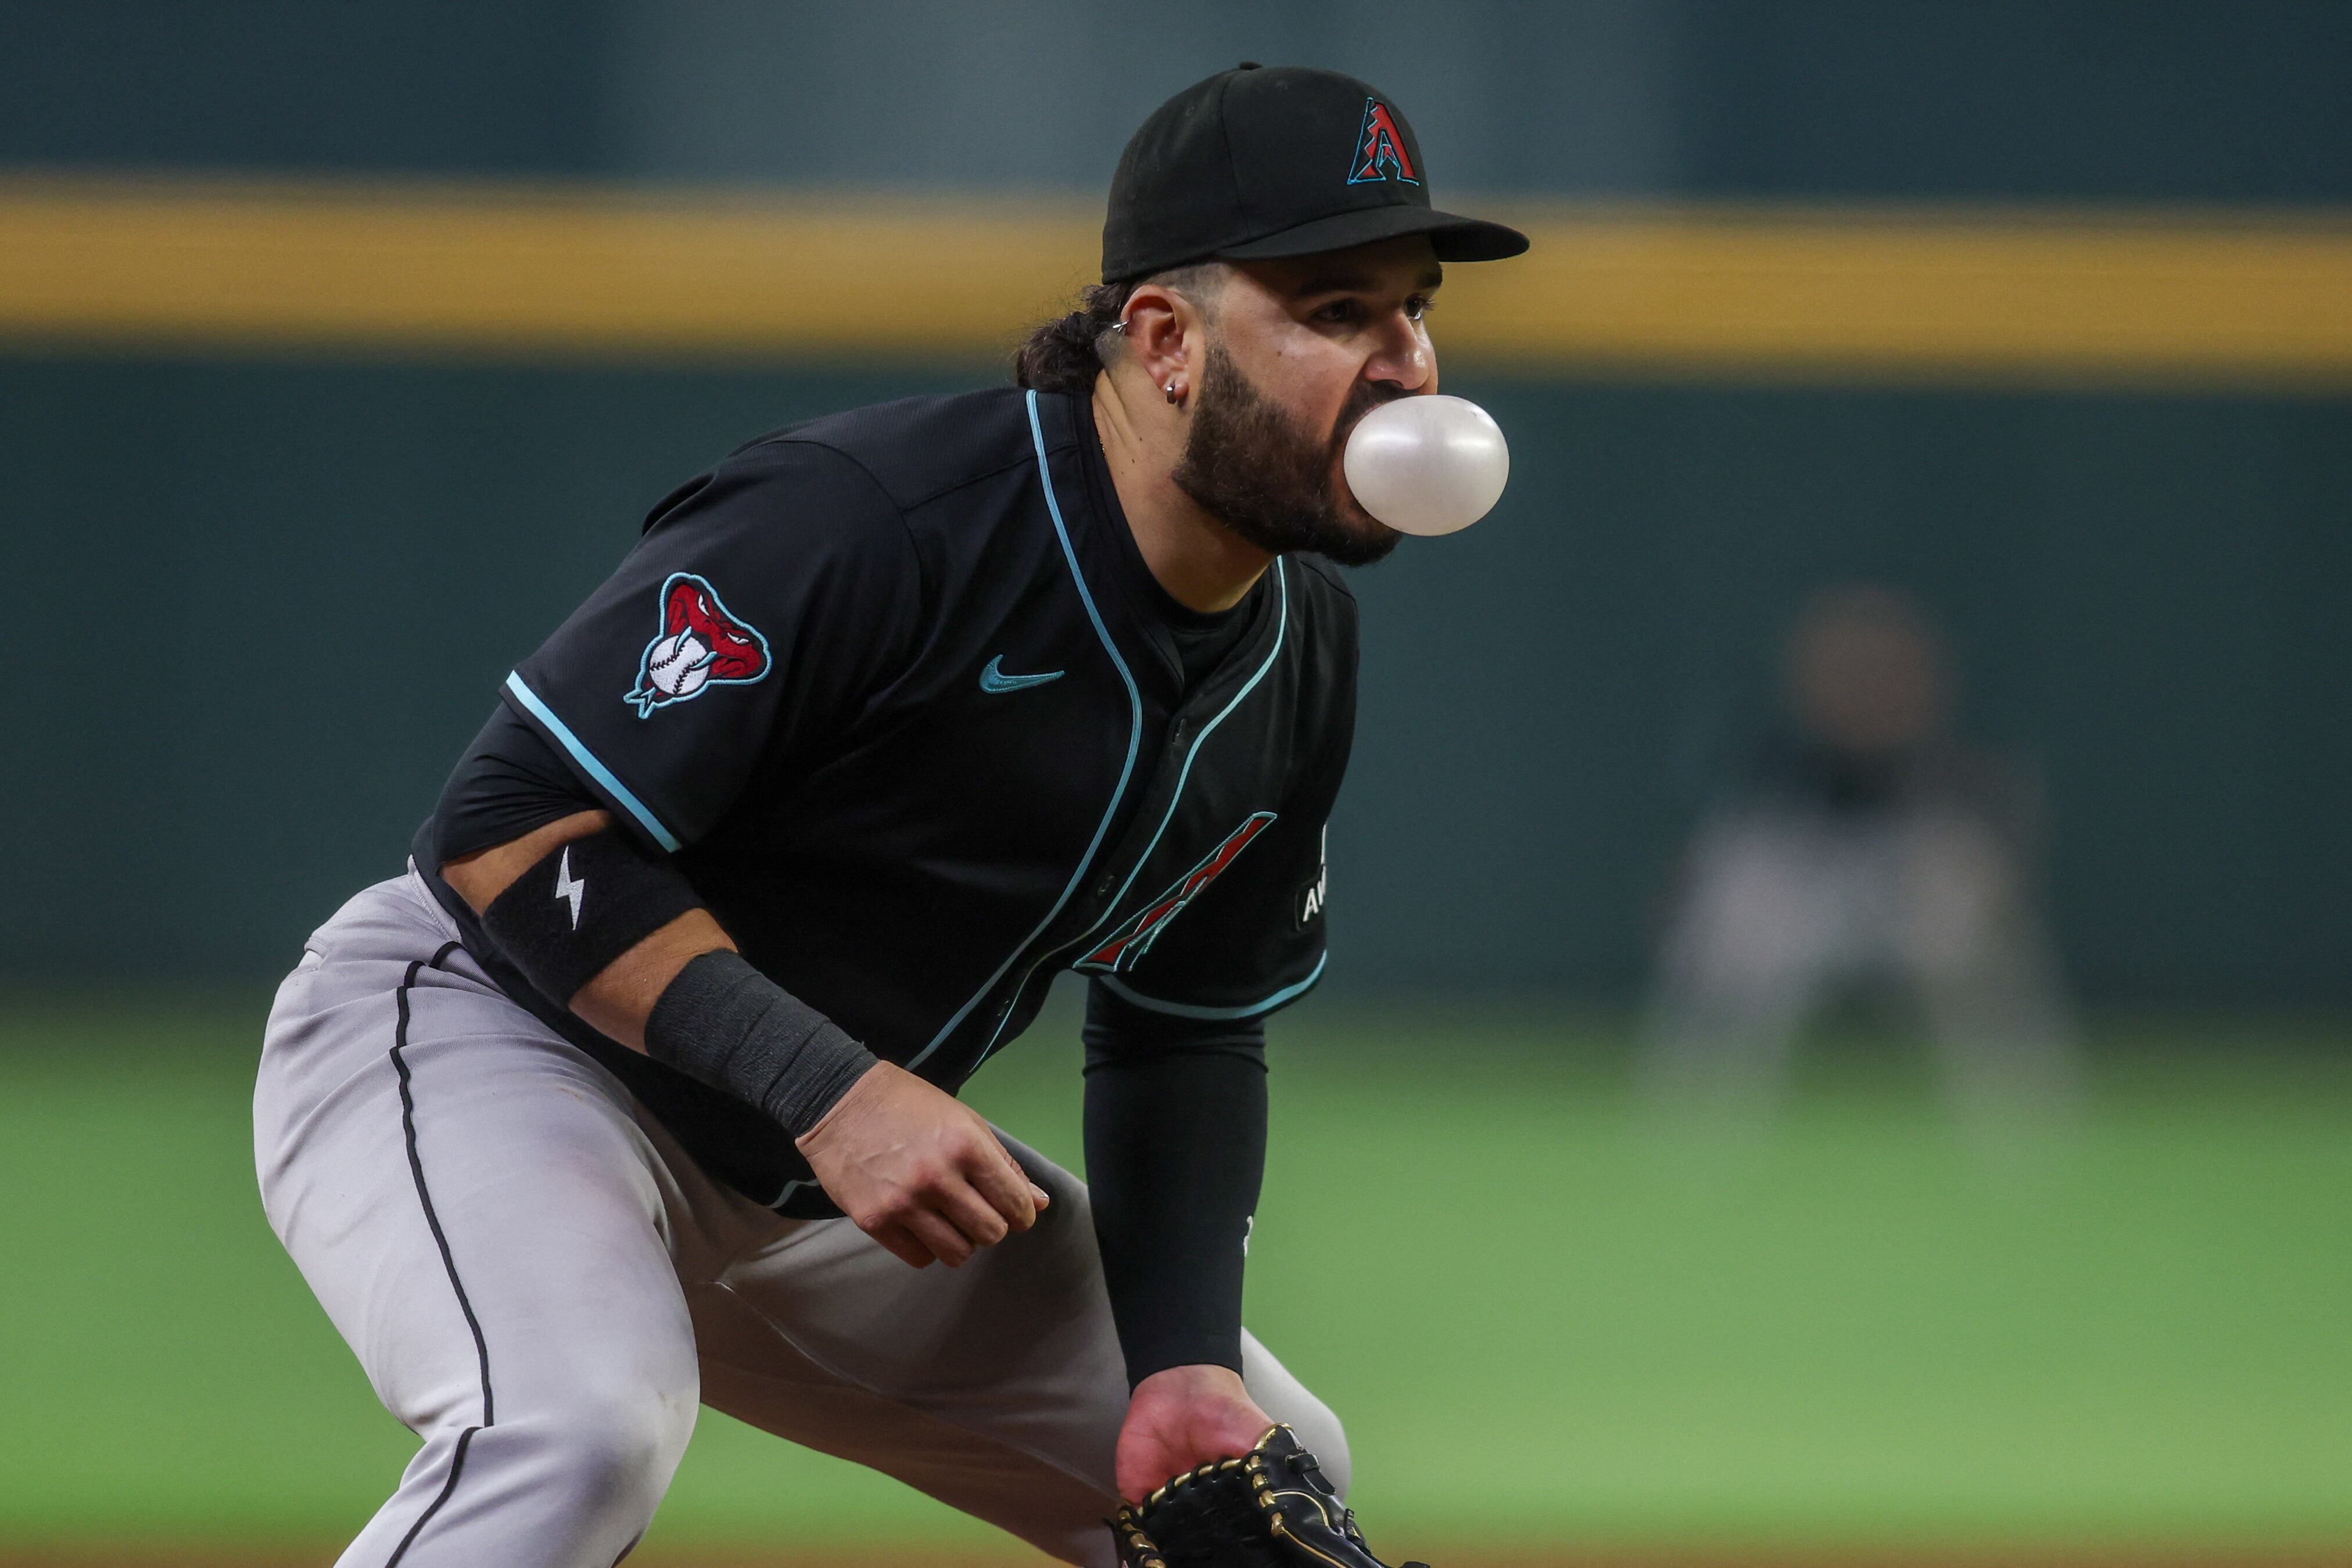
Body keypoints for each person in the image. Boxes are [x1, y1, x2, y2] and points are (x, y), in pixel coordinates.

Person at [253, 64, 1526, 1567]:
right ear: (1167, 340)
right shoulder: (874, 519)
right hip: (499, 1043)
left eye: (1413, 306)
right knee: (577, 1427)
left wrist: (1182, 1357)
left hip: (817, 1182)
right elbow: (511, 828)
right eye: (1337, 311)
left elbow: (1185, 1020)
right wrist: (831, 1085)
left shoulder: (1297, 652)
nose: (1409, 365)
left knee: (1258, 1472)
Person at [1639, 584, 2079, 1117]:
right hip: (1808, 900)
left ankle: (2022, 1113)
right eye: (1846, 668)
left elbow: (1999, 851)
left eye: (1882, 668)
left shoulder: (1953, 760)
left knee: (1961, 902)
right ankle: (1698, 1113)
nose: (1863, 683)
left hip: (1905, 899)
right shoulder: (1775, 754)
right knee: (1740, 916)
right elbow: (1713, 857)